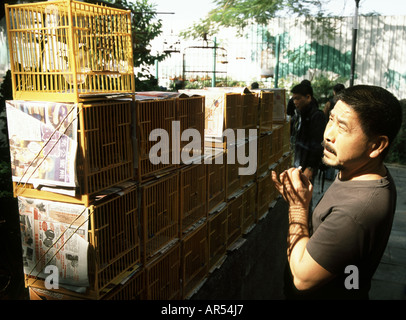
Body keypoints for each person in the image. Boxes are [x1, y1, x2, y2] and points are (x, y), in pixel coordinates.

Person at [272, 85, 403, 299]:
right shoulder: (359, 170)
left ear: (377, 145)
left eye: (342, 127)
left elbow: (302, 278)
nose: (328, 134)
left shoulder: (356, 211)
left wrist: (298, 207)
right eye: (331, 119)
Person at [290, 82, 325, 182]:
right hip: (297, 161)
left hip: (306, 165)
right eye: (293, 99)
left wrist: (310, 167)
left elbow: (318, 144)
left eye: (298, 98)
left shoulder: (317, 116)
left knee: (304, 194)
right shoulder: (299, 115)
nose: (295, 102)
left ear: (308, 97)